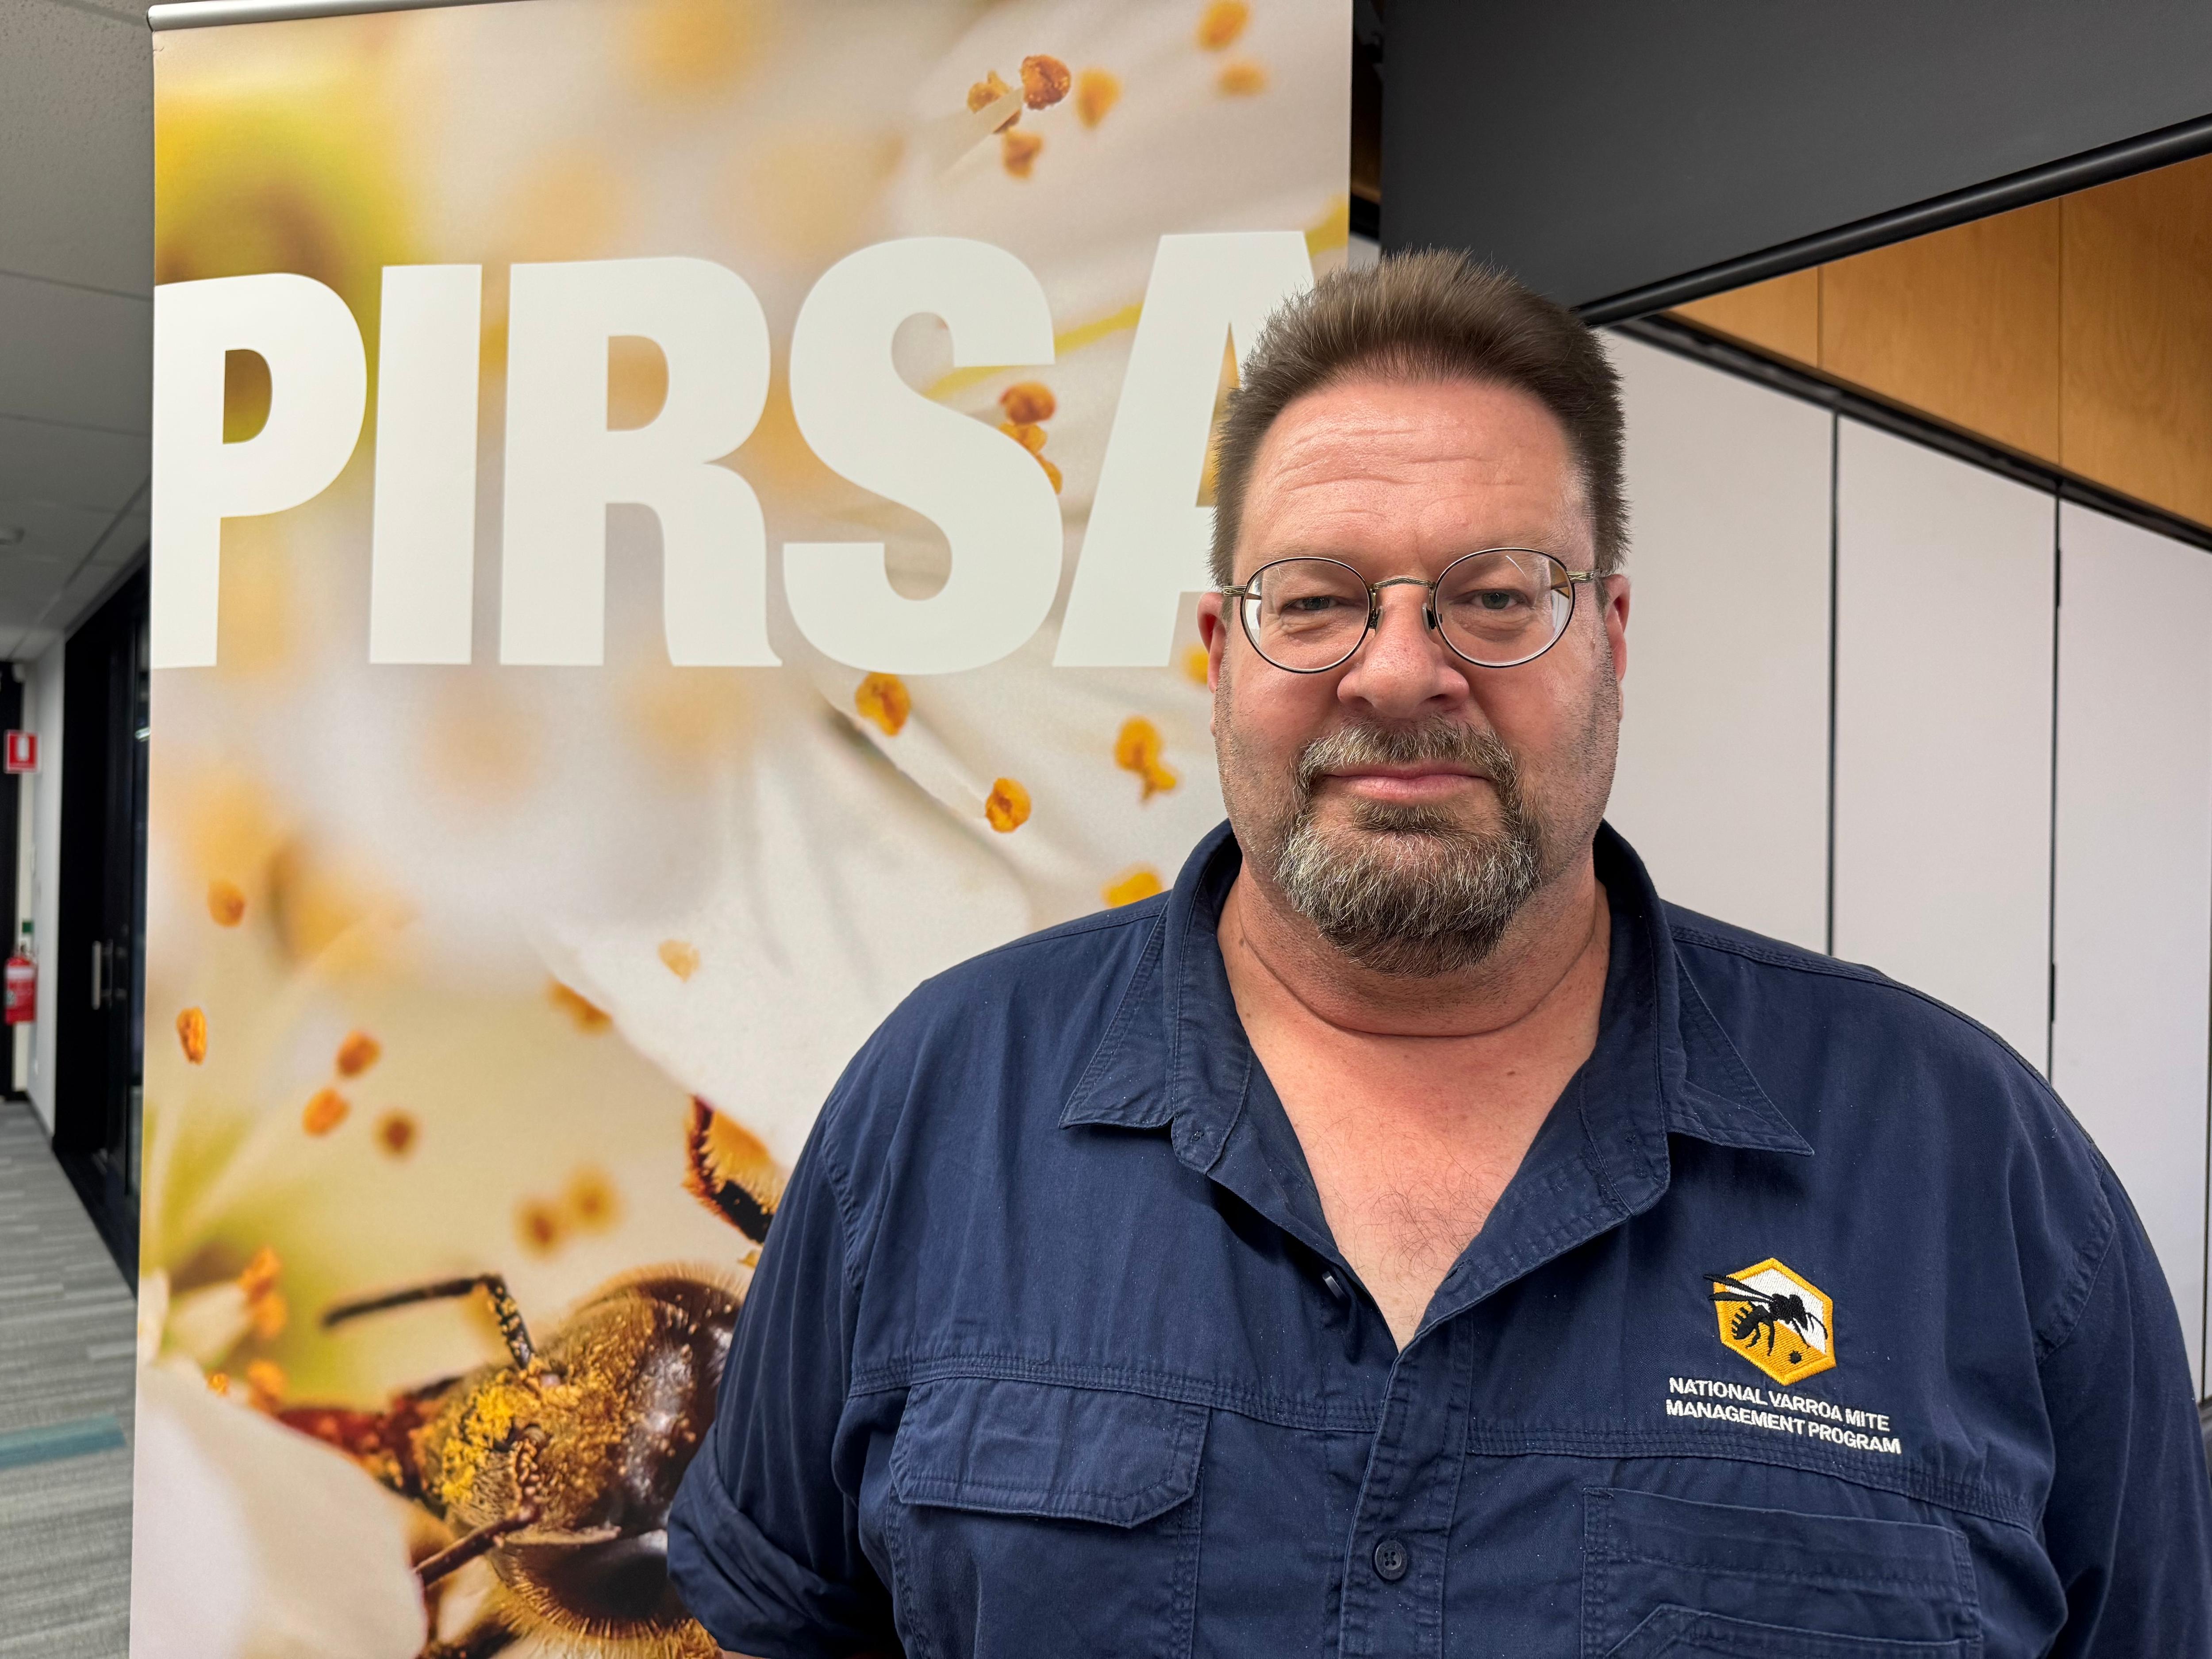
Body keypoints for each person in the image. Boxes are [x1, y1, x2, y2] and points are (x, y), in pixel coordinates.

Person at [668, 250, 2212, 1657]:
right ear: (1220, 654)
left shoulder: (1975, 1173)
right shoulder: (942, 1107)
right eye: (1320, 599)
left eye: (1494, 599)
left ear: (1611, 632)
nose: (1401, 673)